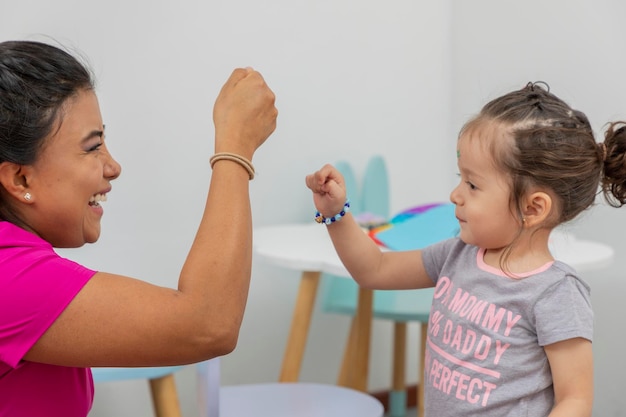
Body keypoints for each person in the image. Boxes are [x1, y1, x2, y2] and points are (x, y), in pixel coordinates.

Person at [305, 82, 626, 416]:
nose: (455, 195)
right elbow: (373, 270)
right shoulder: (456, 256)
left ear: (533, 208)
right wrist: (336, 214)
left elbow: (574, 400)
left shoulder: (556, 293)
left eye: (472, 185)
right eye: (461, 178)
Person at [0, 40, 277, 416]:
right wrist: (235, 149)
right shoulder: (10, 278)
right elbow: (209, 323)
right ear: (19, 179)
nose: (113, 166)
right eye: (92, 147)